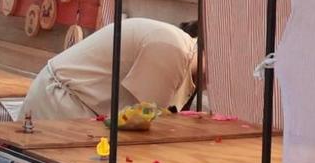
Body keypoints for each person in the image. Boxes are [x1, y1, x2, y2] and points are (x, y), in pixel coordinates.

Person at [19, 17, 201, 122]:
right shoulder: (175, 48)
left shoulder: (182, 53)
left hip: (79, 107)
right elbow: (143, 121)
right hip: (61, 104)